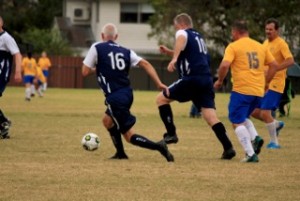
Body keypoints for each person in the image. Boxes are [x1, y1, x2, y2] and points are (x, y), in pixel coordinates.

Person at [82, 23, 174, 162]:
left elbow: (85, 71)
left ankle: (159, 146)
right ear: (116, 37)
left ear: (102, 36)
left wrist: (99, 68)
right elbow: (146, 64)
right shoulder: (126, 51)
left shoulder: (97, 47)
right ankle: (120, 153)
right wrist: (158, 83)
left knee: (129, 136)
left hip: (115, 98)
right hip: (127, 94)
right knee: (107, 121)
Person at [157, 13, 236, 160]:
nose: (176, 30)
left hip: (192, 78)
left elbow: (180, 39)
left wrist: (173, 59)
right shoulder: (198, 37)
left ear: (181, 24)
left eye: (176, 27)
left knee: (161, 99)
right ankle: (228, 147)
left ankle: (171, 134)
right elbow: (186, 52)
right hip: (206, 80)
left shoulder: (182, 32)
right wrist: (170, 52)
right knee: (210, 116)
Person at [214, 20, 278, 162]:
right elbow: (274, 65)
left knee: (236, 121)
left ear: (236, 32)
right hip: (258, 92)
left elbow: (225, 65)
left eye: (232, 32)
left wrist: (219, 80)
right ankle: (255, 137)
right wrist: (266, 83)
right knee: (242, 118)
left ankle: (250, 154)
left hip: (242, 90)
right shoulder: (260, 46)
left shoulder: (234, 46)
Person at [251, 18, 294, 149]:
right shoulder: (264, 43)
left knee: (265, 113)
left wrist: (276, 68)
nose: (268, 31)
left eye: (271, 29)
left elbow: (290, 60)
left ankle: (274, 142)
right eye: (267, 29)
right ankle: (275, 124)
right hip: (263, 82)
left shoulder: (281, 44)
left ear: (277, 30)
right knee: (253, 110)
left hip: (276, 83)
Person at [0, 16, 22, 139]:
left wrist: (18, 71)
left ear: (1, 23)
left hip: (2, 74)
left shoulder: (6, 38)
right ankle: (3, 123)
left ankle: (3, 123)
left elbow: (17, 54)